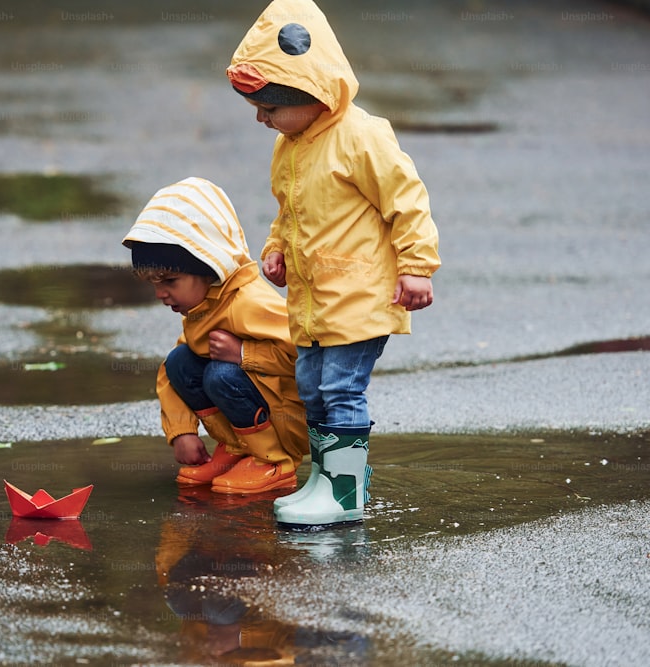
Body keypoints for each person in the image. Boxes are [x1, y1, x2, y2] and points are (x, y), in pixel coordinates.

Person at [226, 0, 441, 527]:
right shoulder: (290, 145)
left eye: (270, 107)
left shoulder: (361, 136)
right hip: (314, 301)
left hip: (360, 298)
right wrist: (275, 249)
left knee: (342, 389)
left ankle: (344, 494)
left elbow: (406, 199)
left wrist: (417, 265)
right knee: (312, 387)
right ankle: (327, 479)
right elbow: (289, 209)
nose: (262, 118)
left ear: (311, 94)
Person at [122, 177, 308, 495]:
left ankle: (274, 462)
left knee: (222, 373)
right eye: (153, 283)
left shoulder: (247, 302)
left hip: (287, 422)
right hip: (253, 416)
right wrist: (182, 432)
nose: (160, 293)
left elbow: (306, 355)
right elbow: (171, 375)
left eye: (169, 280)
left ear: (208, 264)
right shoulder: (205, 305)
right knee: (180, 362)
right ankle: (236, 448)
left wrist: (244, 354)